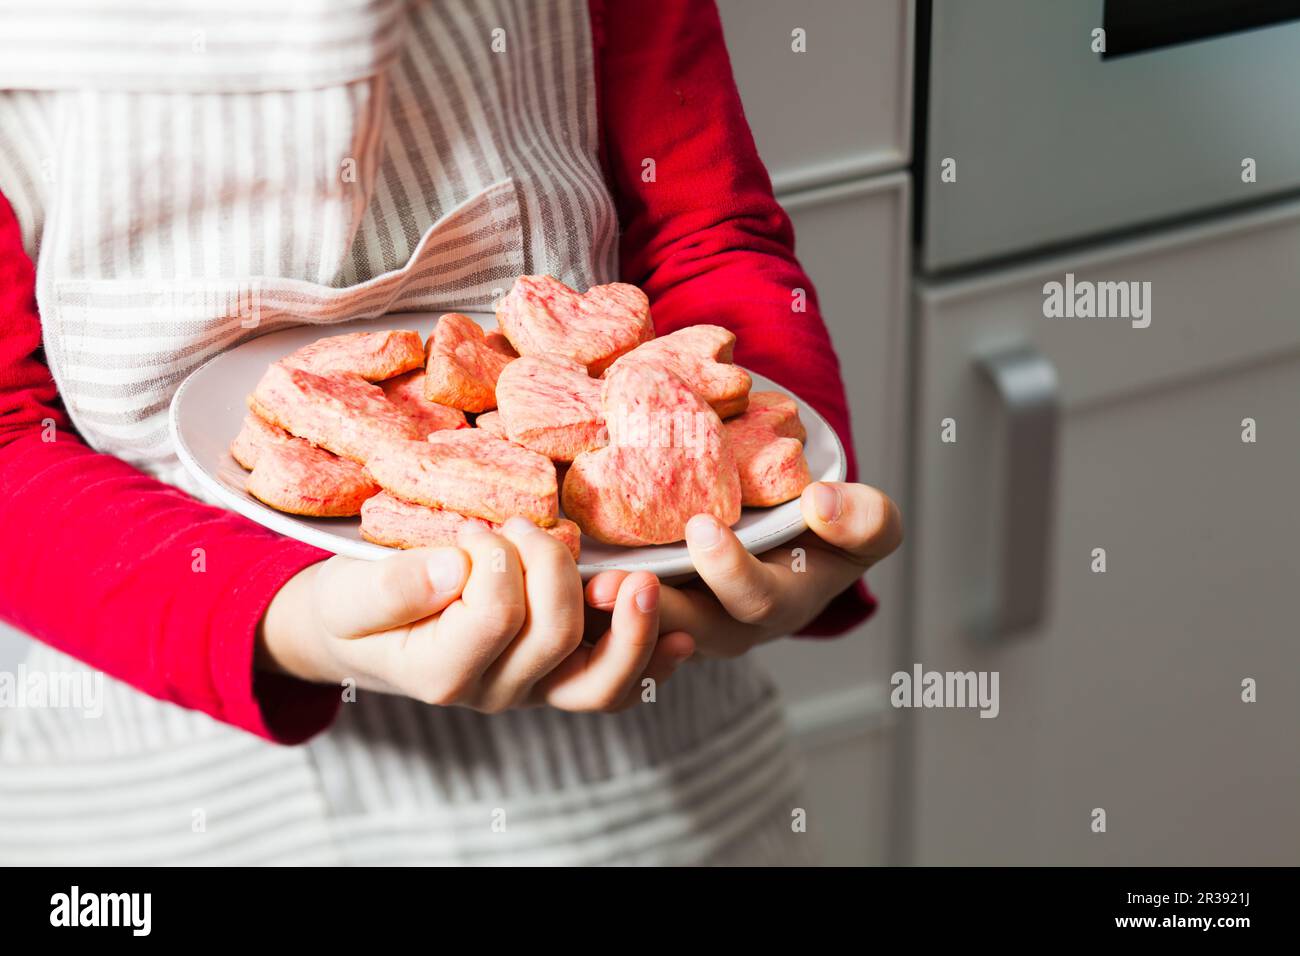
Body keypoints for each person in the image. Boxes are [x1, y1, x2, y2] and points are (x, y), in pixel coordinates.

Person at [0, 0, 901, 864]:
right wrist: (289, 623)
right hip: (139, 740)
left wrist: (774, 529)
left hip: (621, 715)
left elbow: (703, 229)